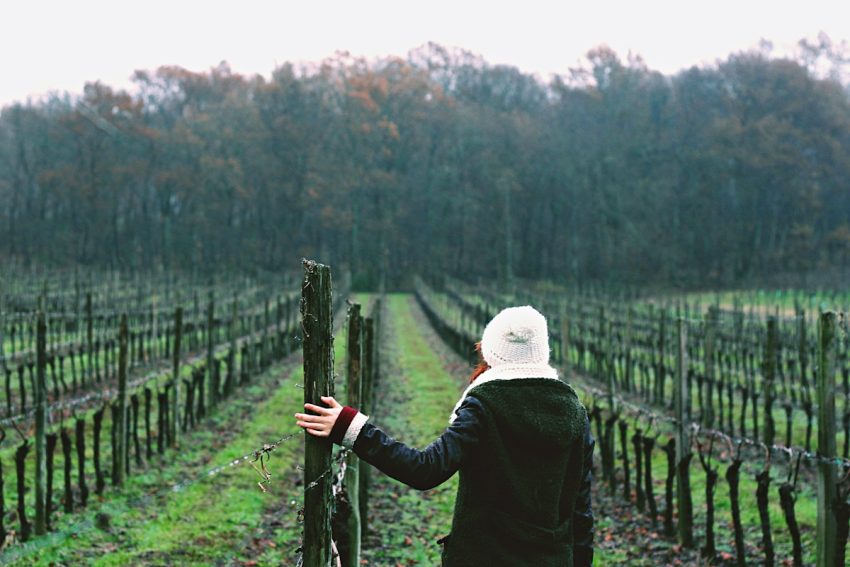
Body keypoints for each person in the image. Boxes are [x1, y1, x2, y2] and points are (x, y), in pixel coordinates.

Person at [294, 305, 594, 566]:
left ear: (491, 353)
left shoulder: (484, 406)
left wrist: (352, 428)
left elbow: (426, 469)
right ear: (542, 353)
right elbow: (580, 512)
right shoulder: (575, 412)